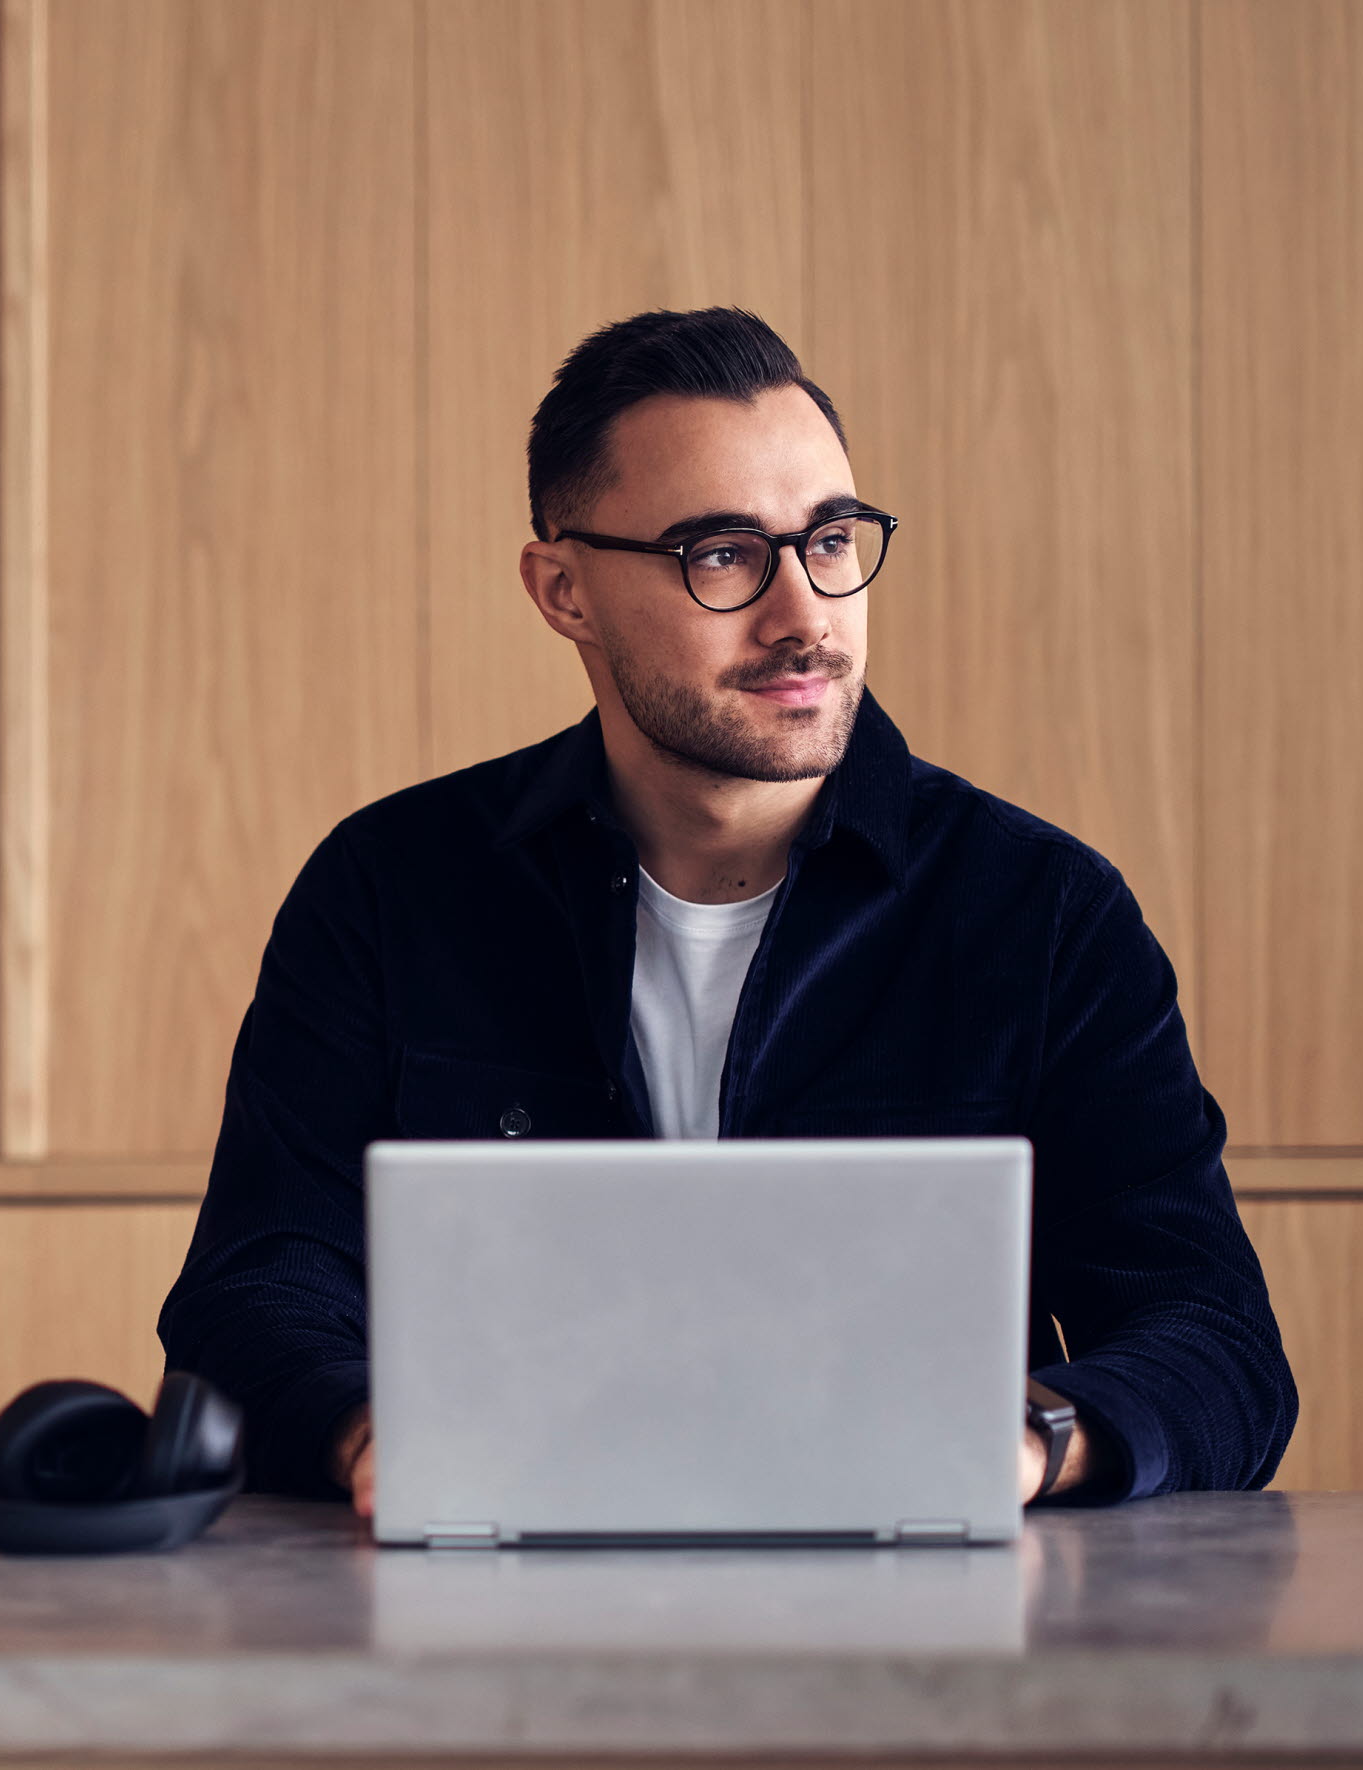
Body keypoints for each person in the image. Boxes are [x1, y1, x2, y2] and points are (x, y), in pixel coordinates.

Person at [158, 307, 1296, 1520]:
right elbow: (253, 1292)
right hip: (486, 1593)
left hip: (919, 1601)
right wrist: (373, 1437)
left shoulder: (1044, 911)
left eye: (832, 540)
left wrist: (1021, 1445)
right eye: (722, 555)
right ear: (564, 591)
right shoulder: (390, 888)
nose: (805, 614)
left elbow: (1215, 1340)